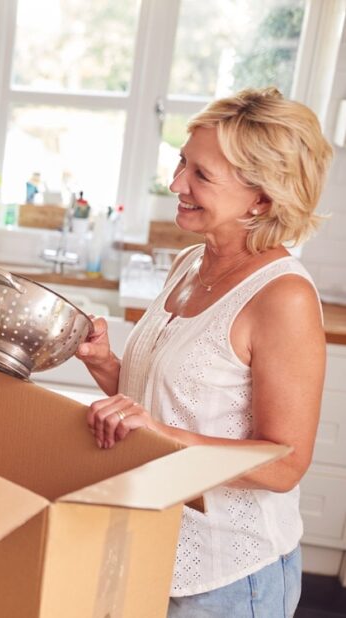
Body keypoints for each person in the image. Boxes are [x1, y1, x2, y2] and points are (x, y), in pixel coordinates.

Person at [76, 87, 331, 617]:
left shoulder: (283, 297)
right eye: (181, 164)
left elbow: (284, 464)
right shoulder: (192, 263)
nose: (175, 185)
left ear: (261, 198)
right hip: (151, 544)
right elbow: (161, 408)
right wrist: (105, 363)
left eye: (200, 176)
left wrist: (162, 434)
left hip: (228, 576)